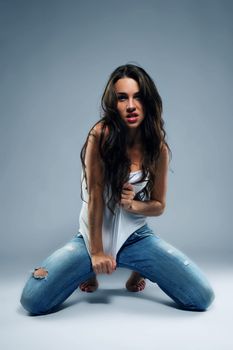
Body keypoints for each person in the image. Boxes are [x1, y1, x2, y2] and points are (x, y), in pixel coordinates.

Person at [20, 64, 215, 315]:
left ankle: (140, 267)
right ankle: (91, 268)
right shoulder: (99, 135)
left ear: (148, 101)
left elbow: (159, 206)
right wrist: (98, 253)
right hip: (91, 240)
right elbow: (95, 197)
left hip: (136, 239)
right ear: (114, 103)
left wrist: (133, 205)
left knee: (202, 297)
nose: (131, 105)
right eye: (122, 98)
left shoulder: (158, 149)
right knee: (32, 301)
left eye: (138, 97)